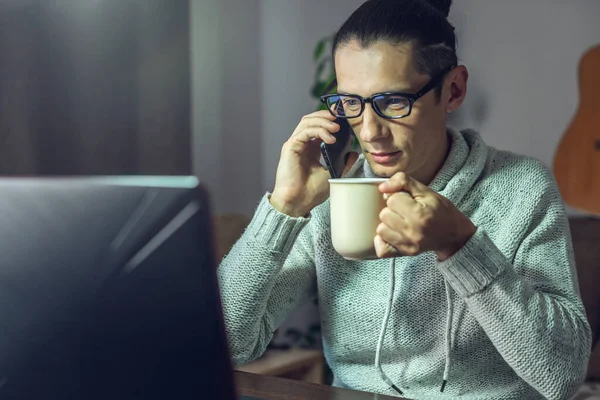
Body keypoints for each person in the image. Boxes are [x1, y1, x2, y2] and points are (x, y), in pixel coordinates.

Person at [217, 0, 592, 398]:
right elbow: (227, 343)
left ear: (454, 89)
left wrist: (460, 245)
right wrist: (284, 207)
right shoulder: (332, 191)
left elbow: (561, 375)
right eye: (351, 104)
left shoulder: (520, 187)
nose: (370, 132)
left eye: (393, 102)